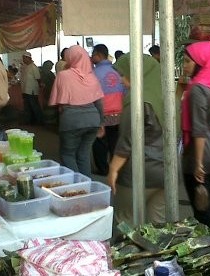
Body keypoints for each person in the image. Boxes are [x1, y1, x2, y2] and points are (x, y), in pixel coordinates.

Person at [108, 53, 165, 225]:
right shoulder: (168, 98)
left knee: (126, 221)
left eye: (124, 75)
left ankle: (130, 252)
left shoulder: (137, 102)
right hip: (166, 170)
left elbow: (127, 141)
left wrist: (113, 169)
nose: (121, 80)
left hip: (139, 170)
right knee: (158, 225)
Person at [181, 41, 210, 233]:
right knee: (203, 206)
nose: (184, 65)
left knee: (202, 210)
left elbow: (199, 129)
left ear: (200, 63)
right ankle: (209, 246)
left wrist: (198, 163)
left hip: (201, 157)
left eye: (187, 61)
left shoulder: (198, 89)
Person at [48, 45, 104, 177]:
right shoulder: (92, 77)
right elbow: (99, 102)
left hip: (71, 120)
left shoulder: (63, 75)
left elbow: (58, 103)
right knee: (83, 154)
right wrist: (101, 123)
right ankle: (87, 188)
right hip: (93, 121)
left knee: (68, 154)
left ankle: (77, 188)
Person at [91, 44, 125, 176]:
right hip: (119, 113)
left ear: (98, 55)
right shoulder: (117, 70)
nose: (91, 57)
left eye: (93, 54)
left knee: (99, 142)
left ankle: (103, 169)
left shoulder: (94, 73)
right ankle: (116, 168)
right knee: (115, 142)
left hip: (102, 113)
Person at [20, 51, 43, 125]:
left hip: (32, 90)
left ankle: (39, 121)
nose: (23, 60)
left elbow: (38, 78)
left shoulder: (33, 67)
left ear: (28, 58)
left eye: (24, 58)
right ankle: (29, 121)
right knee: (27, 107)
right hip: (25, 90)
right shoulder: (25, 67)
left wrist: (40, 85)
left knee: (34, 106)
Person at [39, 60, 57, 125]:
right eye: (51, 66)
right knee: (50, 105)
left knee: (46, 104)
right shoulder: (49, 73)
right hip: (50, 90)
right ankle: (50, 120)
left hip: (45, 91)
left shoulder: (41, 72)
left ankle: (46, 119)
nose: (51, 68)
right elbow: (54, 82)